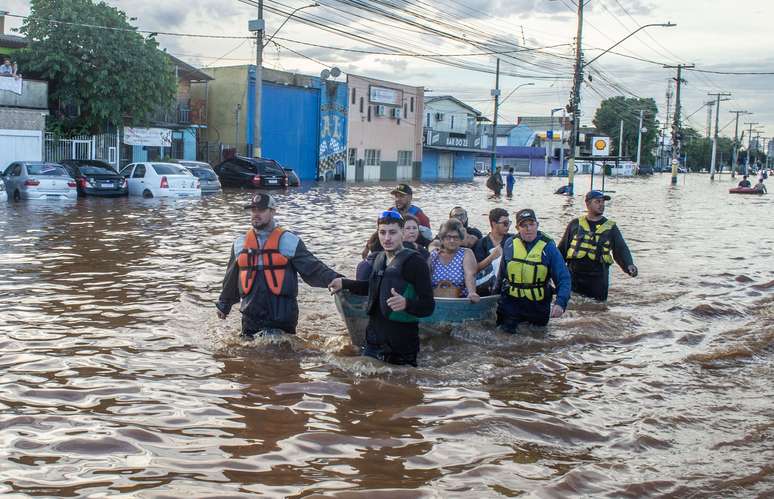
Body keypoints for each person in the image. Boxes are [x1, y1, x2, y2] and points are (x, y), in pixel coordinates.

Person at [216, 194, 342, 337]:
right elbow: (231, 278)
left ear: (273, 211)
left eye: (261, 210)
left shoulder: (289, 241)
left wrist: (339, 280)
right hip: (251, 318)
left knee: (284, 355)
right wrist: (224, 304)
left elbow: (313, 268)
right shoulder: (239, 243)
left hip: (282, 320)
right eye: (253, 210)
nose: (256, 214)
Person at [329, 211, 435, 367]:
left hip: (401, 345)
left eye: (392, 232)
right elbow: (372, 287)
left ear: (403, 233)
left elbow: (429, 306)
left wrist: (406, 303)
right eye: (382, 232)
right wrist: (345, 283)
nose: (387, 238)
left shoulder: (415, 263)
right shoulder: (379, 258)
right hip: (373, 340)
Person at [495, 209, 571, 330]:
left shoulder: (548, 247)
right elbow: (501, 275)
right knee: (504, 337)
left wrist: (560, 303)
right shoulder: (509, 244)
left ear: (537, 225)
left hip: (538, 305)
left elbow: (564, 278)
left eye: (531, 224)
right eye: (524, 225)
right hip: (511, 303)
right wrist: (494, 296)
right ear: (517, 228)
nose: (528, 228)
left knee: (538, 339)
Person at [558, 190, 638, 302]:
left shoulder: (611, 228)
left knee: (598, 308)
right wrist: (551, 271)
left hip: (598, 279)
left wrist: (629, 265)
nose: (601, 205)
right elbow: (562, 249)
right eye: (598, 202)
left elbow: (621, 249)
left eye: (603, 202)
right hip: (575, 277)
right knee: (574, 309)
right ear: (588, 204)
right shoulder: (575, 224)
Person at [428, 219, 480, 303]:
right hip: (436, 300)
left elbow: (470, 275)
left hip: (460, 300)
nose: (452, 241)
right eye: (448, 237)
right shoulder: (434, 255)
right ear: (442, 239)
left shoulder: (466, 253)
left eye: (455, 237)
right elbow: (426, 276)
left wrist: (472, 292)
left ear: (461, 239)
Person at [473, 208, 514, 295]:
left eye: (509, 223)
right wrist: (491, 257)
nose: (508, 226)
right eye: (505, 223)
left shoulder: (512, 240)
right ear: (494, 224)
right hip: (488, 282)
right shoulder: (482, 243)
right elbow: (476, 268)